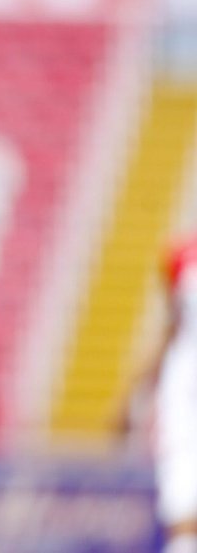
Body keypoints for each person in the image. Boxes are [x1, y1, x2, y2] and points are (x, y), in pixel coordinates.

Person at [120, 231, 197, 553]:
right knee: (183, 508)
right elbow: (172, 326)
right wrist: (134, 392)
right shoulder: (182, 253)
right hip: (186, 387)